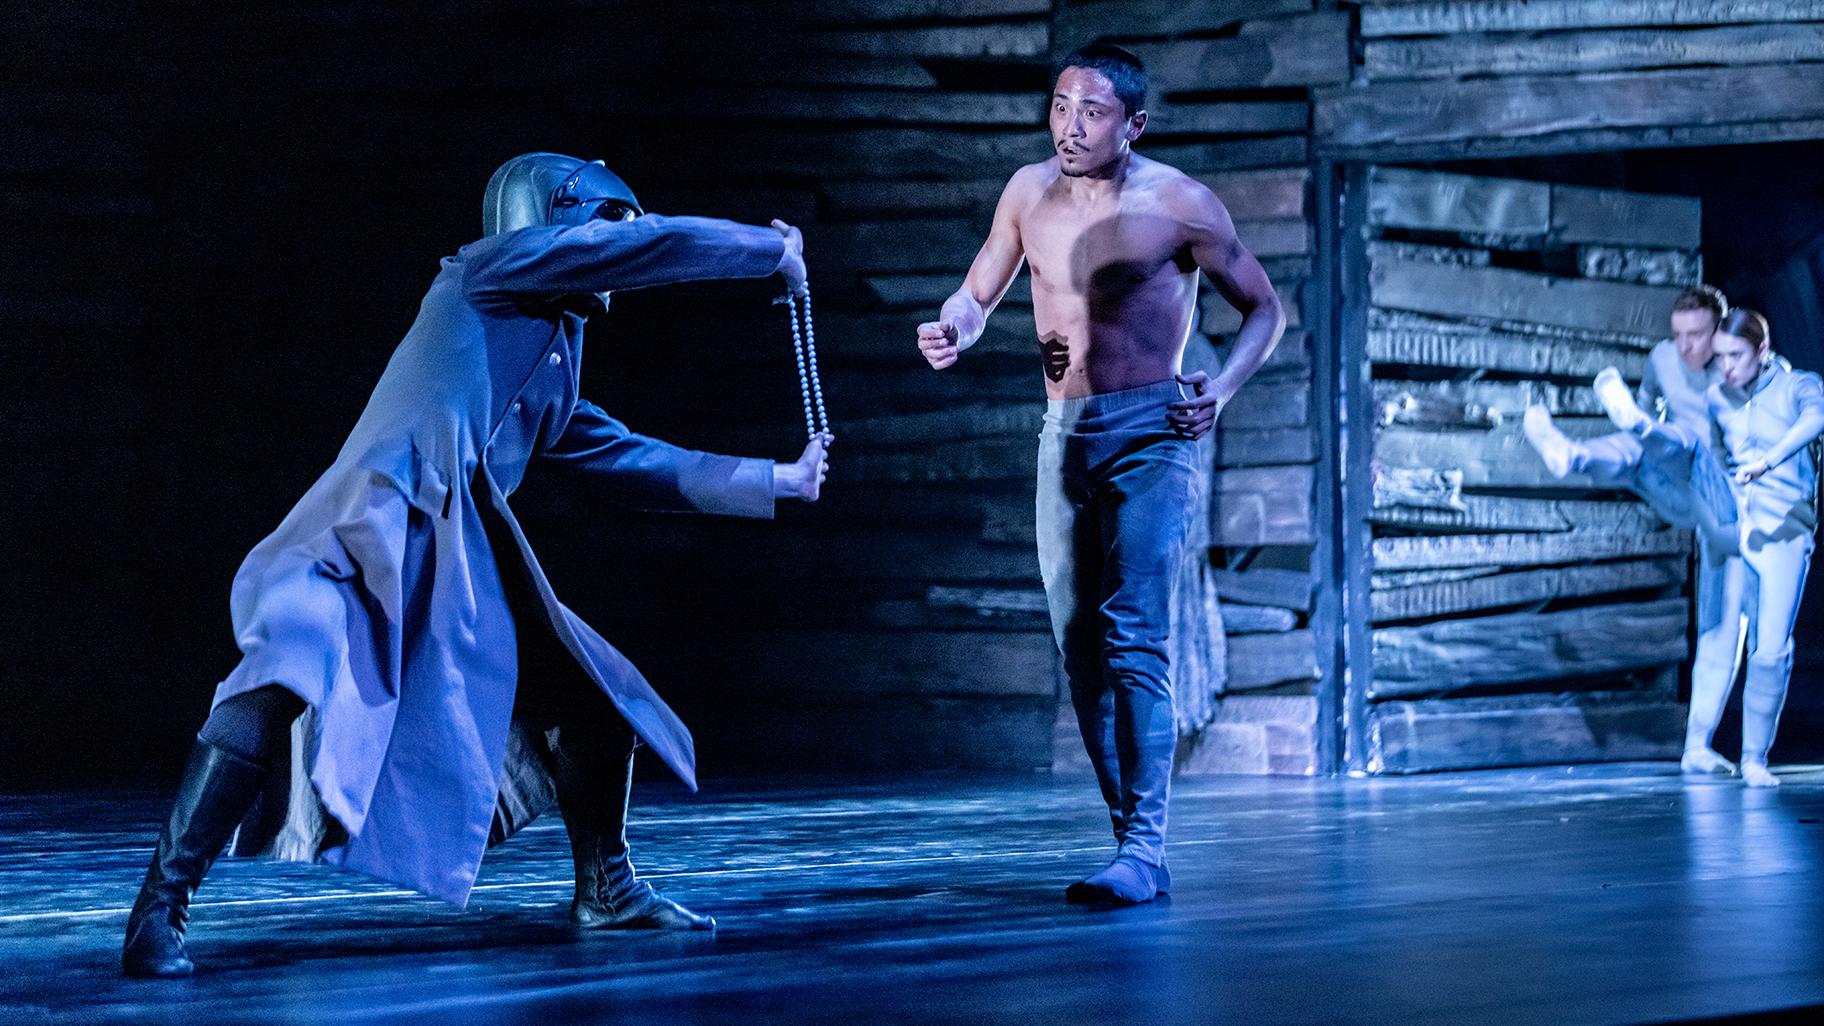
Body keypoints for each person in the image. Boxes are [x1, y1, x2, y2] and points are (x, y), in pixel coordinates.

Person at [122, 152, 831, 978]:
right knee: (285, 667)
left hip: (456, 567)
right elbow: (646, 251)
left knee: (599, 704)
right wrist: (765, 249)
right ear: (557, 219)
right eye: (610, 223)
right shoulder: (487, 272)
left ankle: (607, 889)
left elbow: (624, 457)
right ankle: (159, 909)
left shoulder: (556, 355)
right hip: (371, 527)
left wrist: (774, 480)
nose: (624, 240)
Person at [916, 45, 1284, 905]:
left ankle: (1145, 846)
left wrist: (1222, 390)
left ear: (1134, 124)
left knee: (1135, 638)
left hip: (1152, 431)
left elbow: (1265, 306)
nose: (1070, 126)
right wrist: (955, 328)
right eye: (1060, 107)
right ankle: (1130, 835)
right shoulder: (1025, 193)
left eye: (1092, 112)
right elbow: (979, 292)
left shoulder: (1181, 205)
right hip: (1065, 433)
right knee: (1080, 646)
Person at [1522, 286, 1747, 775]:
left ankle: (1697, 747)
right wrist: (1641, 414)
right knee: (1634, 446)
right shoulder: (1663, 359)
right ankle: (1571, 454)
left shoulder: (1741, 364)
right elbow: (1653, 393)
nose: (1688, 347)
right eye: (1679, 335)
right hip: (1680, 494)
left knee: (1722, 630)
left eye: (1699, 336)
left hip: (1727, 507)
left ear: (1721, 330)